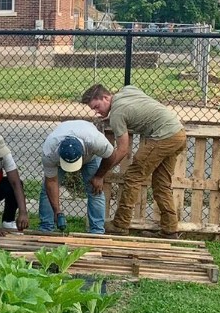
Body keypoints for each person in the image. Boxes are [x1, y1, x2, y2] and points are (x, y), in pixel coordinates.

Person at [81, 84, 186, 238]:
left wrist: (100, 174)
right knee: (161, 184)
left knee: (133, 176)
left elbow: (123, 150)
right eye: (93, 109)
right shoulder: (127, 90)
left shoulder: (118, 114)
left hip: (163, 137)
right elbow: (135, 107)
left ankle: (120, 224)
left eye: (97, 106)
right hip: (178, 133)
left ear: (106, 97)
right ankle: (170, 230)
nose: (96, 111)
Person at [38, 121, 113, 234]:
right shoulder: (50, 151)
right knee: (47, 191)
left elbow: (112, 156)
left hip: (90, 158)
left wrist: (99, 176)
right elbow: (51, 182)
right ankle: (46, 229)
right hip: (58, 158)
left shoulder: (95, 141)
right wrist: (57, 211)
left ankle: (97, 232)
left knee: (95, 190)